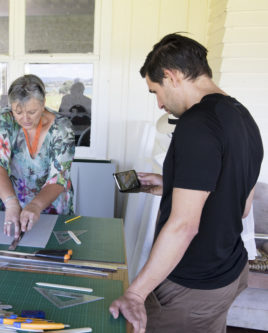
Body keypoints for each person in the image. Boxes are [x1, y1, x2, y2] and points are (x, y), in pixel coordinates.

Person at [109, 33, 264, 333]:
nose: (159, 104)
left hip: (193, 283)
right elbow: (240, 205)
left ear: (172, 76)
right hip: (228, 273)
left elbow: (184, 226)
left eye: (156, 91)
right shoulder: (244, 118)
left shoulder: (196, 124)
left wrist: (135, 293)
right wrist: (172, 185)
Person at [0, 74, 75, 238]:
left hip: (49, 204)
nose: (25, 119)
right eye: (18, 112)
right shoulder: (3, 119)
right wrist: (12, 204)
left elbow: (59, 177)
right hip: (9, 202)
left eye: (32, 112)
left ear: (43, 104)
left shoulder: (62, 128)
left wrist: (35, 205)